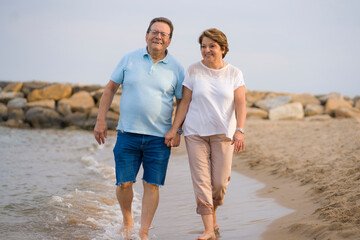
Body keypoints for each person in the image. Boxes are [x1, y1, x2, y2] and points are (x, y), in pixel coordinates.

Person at [94, 17, 184, 240]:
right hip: (127, 134)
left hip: (159, 138)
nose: (158, 36)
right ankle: (127, 220)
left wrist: (177, 130)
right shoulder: (129, 59)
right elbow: (110, 89)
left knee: (152, 185)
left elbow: (182, 102)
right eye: (155, 32)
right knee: (124, 183)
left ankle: (143, 232)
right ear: (146, 35)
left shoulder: (177, 69)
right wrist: (100, 120)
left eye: (164, 34)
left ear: (170, 41)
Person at [165, 28, 246, 240]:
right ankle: (209, 229)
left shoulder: (234, 73)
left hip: (223, 133)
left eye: (212, 46)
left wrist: (240, 130)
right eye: (203, 46)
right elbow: (185, 103)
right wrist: (175, 129)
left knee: (219, 184)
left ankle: (213, 214)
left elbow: (241, 104)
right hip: (195, 133)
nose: (207, 50)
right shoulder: (193, 70)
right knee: (201, 181)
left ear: (223, 48)